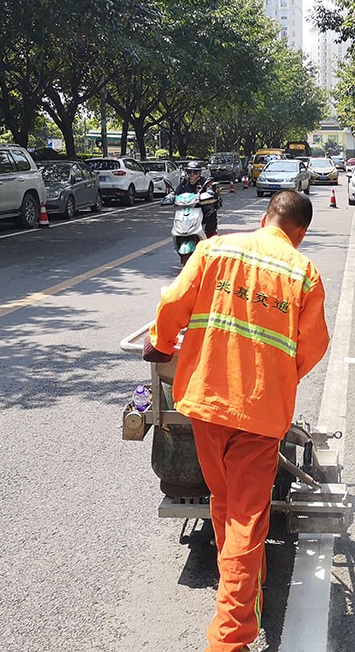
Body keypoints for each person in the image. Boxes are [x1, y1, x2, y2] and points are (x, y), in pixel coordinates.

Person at [143, 191, 329, 652]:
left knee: (225, 504)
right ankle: (231, 638)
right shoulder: (303, 273)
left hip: (207, 401)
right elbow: (312, 346)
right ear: (299, 233)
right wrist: (281, 378)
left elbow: (173, 303)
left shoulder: (214, 248)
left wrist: (160, 343)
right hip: (261, 413)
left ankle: (242, 597)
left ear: (267, 218)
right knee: (246, 518)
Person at [176, 160, 220, 237]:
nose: (192, 175)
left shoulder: (204, 182)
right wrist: (171, 197)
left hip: (200, 206)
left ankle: (210, 234)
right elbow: (177, 192)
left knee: (211, 212)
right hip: (187, 207)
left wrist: (207, 195)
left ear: (199, 174)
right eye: (190, 172)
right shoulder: (184, 182)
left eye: (195, 173)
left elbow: (211, 192)